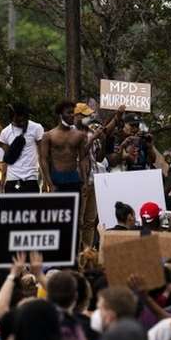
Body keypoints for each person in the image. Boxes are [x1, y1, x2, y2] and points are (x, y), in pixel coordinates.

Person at [76, 103, 125, 248]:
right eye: (85, 115)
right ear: (77, 116)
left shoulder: (91, 132)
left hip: (93, 181)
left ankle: (87, 251)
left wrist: (117, 117)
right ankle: (76, 251)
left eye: (89, 115)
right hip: (80, 182)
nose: (89, 118)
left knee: (90, 221)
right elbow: (80, 154)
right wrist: (93, 138)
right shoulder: (72, 134)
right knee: (79, 221)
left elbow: (99, 157)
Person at [40, 101, 86, 193]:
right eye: (69, 113)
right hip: (57, 180)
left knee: (76, 203)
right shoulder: (48, 136)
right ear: (60, 115)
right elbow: (44, 160)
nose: (72, 115)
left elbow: (82, 159)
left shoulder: (79, 135)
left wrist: (85, 181)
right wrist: (49, 183)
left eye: (73, 112)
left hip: (74, 179)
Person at [0, 103, 46, 193]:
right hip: (12, 180)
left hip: (31, 179)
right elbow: (5, 161)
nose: (21, 120)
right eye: (18, 117)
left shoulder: (36, 128)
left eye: (23, 117)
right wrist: (1, 186)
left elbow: (42, 156)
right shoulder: (5, 133)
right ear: (12, 117)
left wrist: (45, 181)